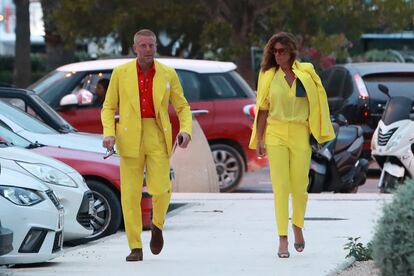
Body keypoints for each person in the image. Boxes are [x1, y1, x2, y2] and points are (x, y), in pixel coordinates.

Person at [101, 29, 192, 262]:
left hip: (157, 133)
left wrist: (185, 130)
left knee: (161, 188)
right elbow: (109, 107)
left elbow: (182, 107)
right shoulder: (121, 73)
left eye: (151, 45)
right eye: (143, 46)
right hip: (129, 135)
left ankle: (157, 225)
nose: (148, 50)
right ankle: (135, 246)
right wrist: (109, 134)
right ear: (135, 48)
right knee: (130, 195)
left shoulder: (167, 73)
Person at [249, 32, 335, 258]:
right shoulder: (267, 75)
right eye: (274, 51)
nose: (277, 55)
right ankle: (282, 238)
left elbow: (319, 100)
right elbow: (262, 108)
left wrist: (319, 129)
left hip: (300, 131)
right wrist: (259, 138)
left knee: (299, 187)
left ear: (291, 52)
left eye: (281, 51)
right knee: (280, 187)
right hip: (275, 132)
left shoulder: (306, 72)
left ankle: (297, 225)